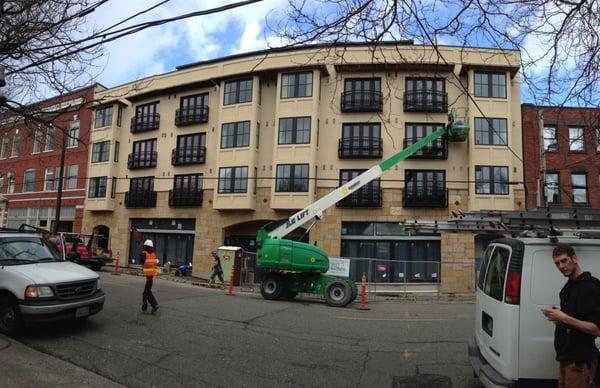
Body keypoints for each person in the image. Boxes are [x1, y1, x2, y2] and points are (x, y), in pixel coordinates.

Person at [543, 243, 600, 388]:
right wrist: (558, 318)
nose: (561, 266)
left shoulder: (590, 288)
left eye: (564, 260)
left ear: (574, 258)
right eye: (557, 263)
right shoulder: (567, 288)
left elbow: (596, 329)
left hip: (581, 362)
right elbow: (572, 320)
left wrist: (563, 317)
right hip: (566, 358)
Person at [140, 239, 159, 313]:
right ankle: (152, 305)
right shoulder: (153, 254)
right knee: (147, 292)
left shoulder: (144, 254)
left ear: (145, 246)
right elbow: (155, 264)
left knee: (146, 292)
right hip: (151, 277)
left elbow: (141, 261)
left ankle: (148, 306)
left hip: (148, 278)